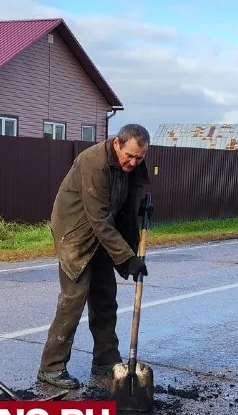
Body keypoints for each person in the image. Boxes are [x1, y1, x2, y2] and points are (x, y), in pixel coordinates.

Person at [37, 124, 152, 390]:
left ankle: (105, 359)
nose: (133, 162)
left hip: (102, 234)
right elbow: (98, 218)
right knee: (73, 299)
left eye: (139, 158)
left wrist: (142, 210)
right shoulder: (93, 163)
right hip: (75, 233)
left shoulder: (133, 164)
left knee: (105, 297)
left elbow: (125, 204)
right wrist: (127, 258)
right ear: (117, 144)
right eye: (129, 156)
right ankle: (51, 367)